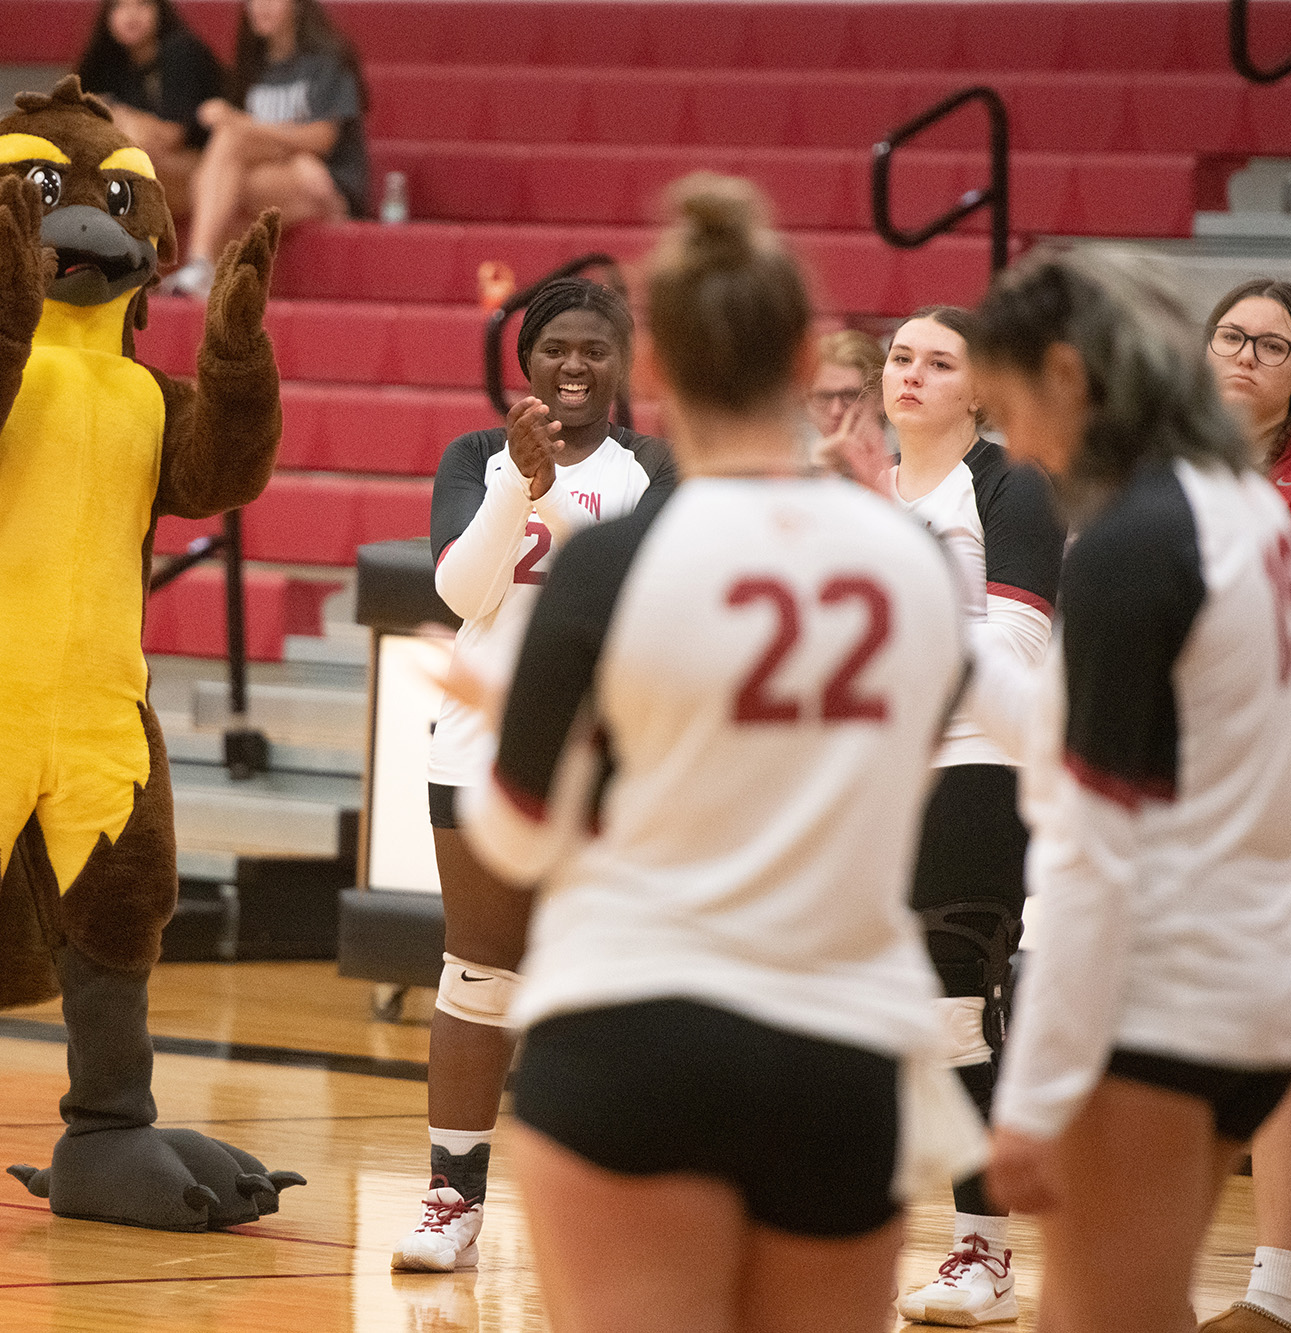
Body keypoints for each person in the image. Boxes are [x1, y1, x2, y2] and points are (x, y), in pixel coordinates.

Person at [463, 173, 976, 1333]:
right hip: (841, 1049)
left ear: (656, 368)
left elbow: (512, 834)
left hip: (631, 1025)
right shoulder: (914, 562)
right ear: (805, 360)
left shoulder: (610, 563)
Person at [974, 249, 1291, 1333]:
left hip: (1158, 1007)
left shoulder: (1134, 540)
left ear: (1070, 375)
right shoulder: (1245, 512)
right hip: (1247, 995)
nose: (1014, 446)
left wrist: (1027, 1095)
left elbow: (1091, 845)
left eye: (1012, 405)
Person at [392, 276, 676, 1272]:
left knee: (610, 984)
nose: (572, 364)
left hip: (606, 761)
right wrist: (521, 481)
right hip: (478, 749)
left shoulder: (653, 469)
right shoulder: (473, 458)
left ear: (622, 362)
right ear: (525, 360)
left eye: (594, 348)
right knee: (477, 972)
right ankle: (449, 1199)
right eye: (554, 346)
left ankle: (612, 1203)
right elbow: (464, 589)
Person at [884, 305, 1063, 1330]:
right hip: (875, 778)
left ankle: (982, 1257)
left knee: (954, 1009)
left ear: (979, 388)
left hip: (976, 768)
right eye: (900, 357)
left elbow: (1015, 652)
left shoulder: (1010, 486)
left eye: (937, 362)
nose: (911, 374)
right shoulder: (865, 489)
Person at [1196, 277, 1291, 1333]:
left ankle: (1276, 1293)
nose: (1245, 355)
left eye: (1273, 345)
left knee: (1276, 1030)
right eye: (1231, 336)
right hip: (1174, 775)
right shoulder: (1165, 462)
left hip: (1287, 767)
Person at [165, 0, 368, 296]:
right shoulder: (252, 65)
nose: (259, 7)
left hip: (325, 181)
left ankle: (202, 268)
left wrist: (247, 126)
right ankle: (201, 266)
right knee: (226, 166)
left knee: (221, 175)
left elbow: (322, 138)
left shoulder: (327, 59)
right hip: (278, 174)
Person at [74, 0, 225, 210]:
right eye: (120, 5)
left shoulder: (181, 51)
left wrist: (121, 117)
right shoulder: (107, 63)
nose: (131, 14)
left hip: (208, 166)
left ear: (160, 10)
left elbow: (171, 137)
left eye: (142, 4)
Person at [806, 328, 890, 482]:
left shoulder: (905, 472)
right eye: (824, 396)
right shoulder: (788, 471)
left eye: (850, 396)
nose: (836, 410)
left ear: (881, 398)